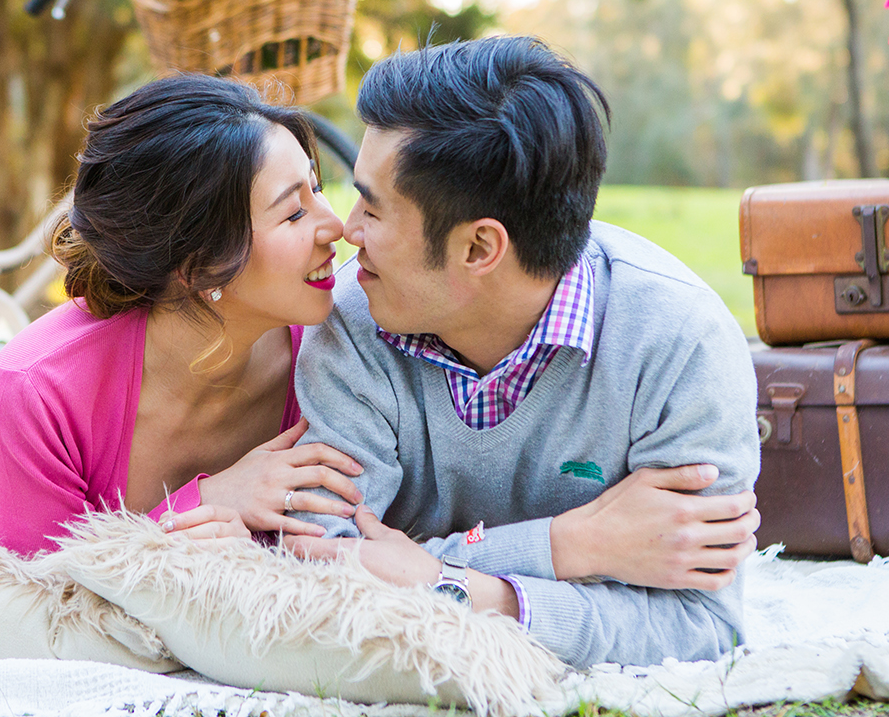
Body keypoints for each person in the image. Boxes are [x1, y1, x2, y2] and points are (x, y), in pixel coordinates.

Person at [284, 36, 762, 669]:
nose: (347, 231)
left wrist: (453, 586)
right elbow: (323, 564)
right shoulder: (352, 320)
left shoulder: (680, 345)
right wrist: (569, 548)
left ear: (480, 248)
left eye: (372, 207)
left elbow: (704, 624)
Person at [0, 74, 364, 556]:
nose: (336, 227)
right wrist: (206, 501)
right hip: (5, 521)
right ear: (197, 264)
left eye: (317, 190)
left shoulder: (339, 354)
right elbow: (42, 598)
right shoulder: (36, 386)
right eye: (294, 213)